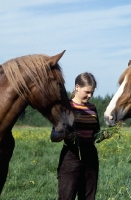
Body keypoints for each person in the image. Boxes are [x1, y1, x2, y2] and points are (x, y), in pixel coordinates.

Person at [51, 72, 101, 200]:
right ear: (77, 87)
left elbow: (95, 134)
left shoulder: (92, 108)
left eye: (92, 92)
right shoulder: (66, 107)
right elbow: (54, 136)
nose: (90, 96)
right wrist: (65, 135)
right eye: (87, 92)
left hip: (91, 157)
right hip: (71, 157)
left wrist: (104, 135)